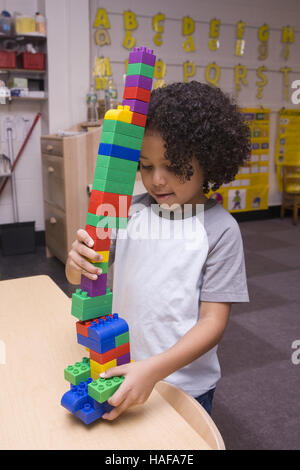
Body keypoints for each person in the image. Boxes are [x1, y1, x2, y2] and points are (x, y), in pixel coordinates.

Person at [66, 81, 251, 419]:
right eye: (147, 166)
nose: (157, 180)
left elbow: (213, 323)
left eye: (173, 165)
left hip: (183, 383)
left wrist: (154, 369)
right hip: (123, 368)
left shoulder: (220, 231)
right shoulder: (126, 210)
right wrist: (75, 260)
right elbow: (84, 277)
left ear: (209, 159)